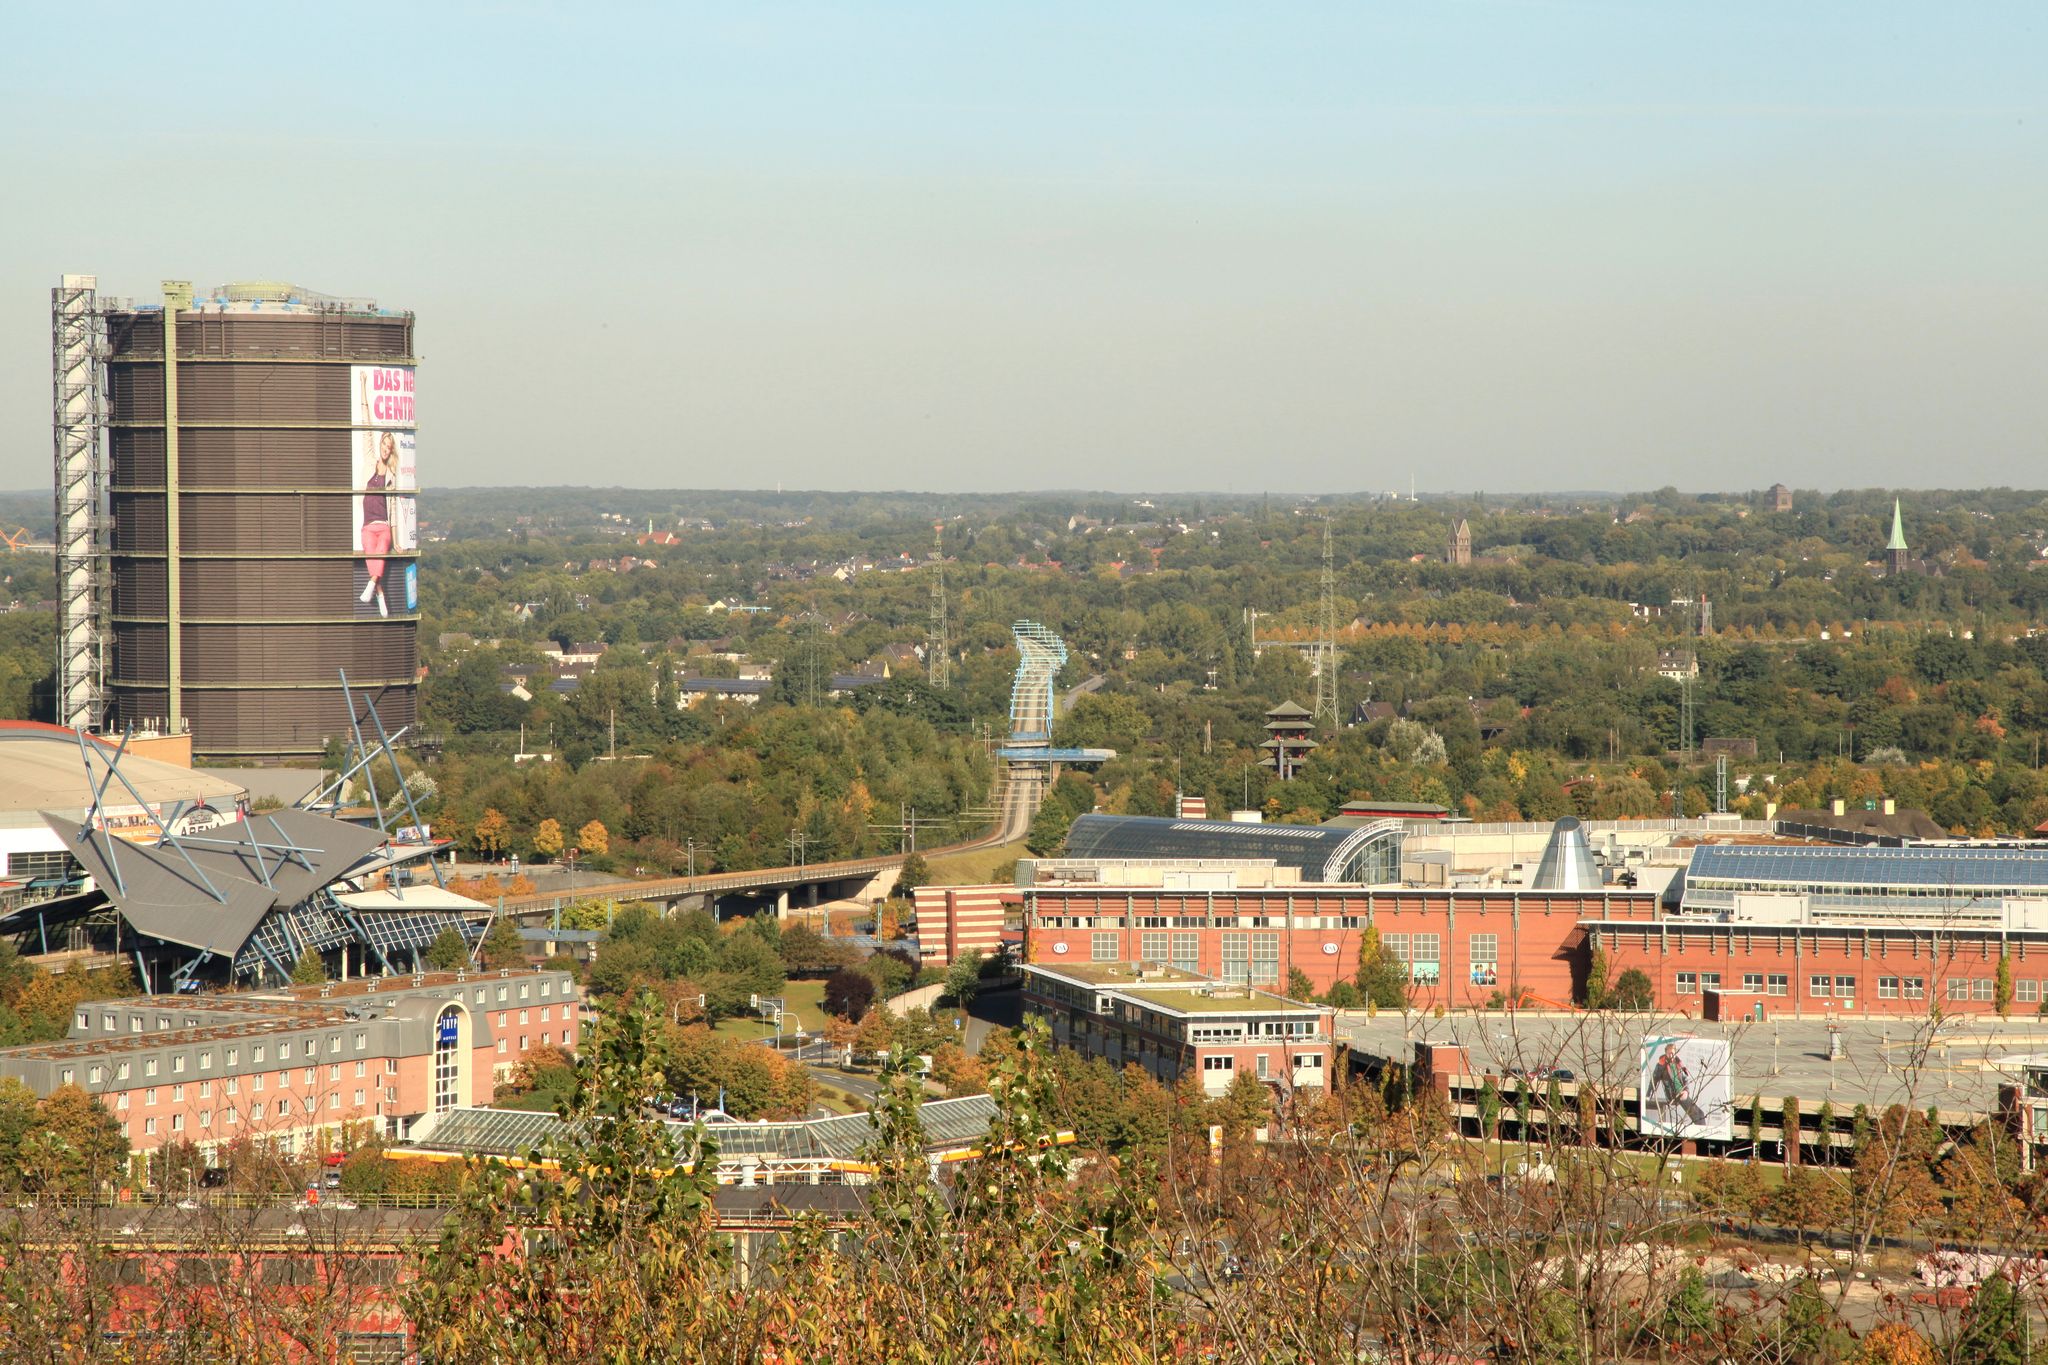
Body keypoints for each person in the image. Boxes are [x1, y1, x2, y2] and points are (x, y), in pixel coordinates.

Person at [358, 428, 399, 617]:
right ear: (380, 444)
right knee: (372, 560)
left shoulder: (391, 475)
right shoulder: (369, 463)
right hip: (368, 525)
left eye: (389, 447)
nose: (386, 449)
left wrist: (396, 541)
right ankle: (380, 594)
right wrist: (365, 400)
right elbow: (366, 435)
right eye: (384, 444)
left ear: (391, 451)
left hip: (383, 525)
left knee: (380, 556)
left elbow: (393, 509)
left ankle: (371, 585)